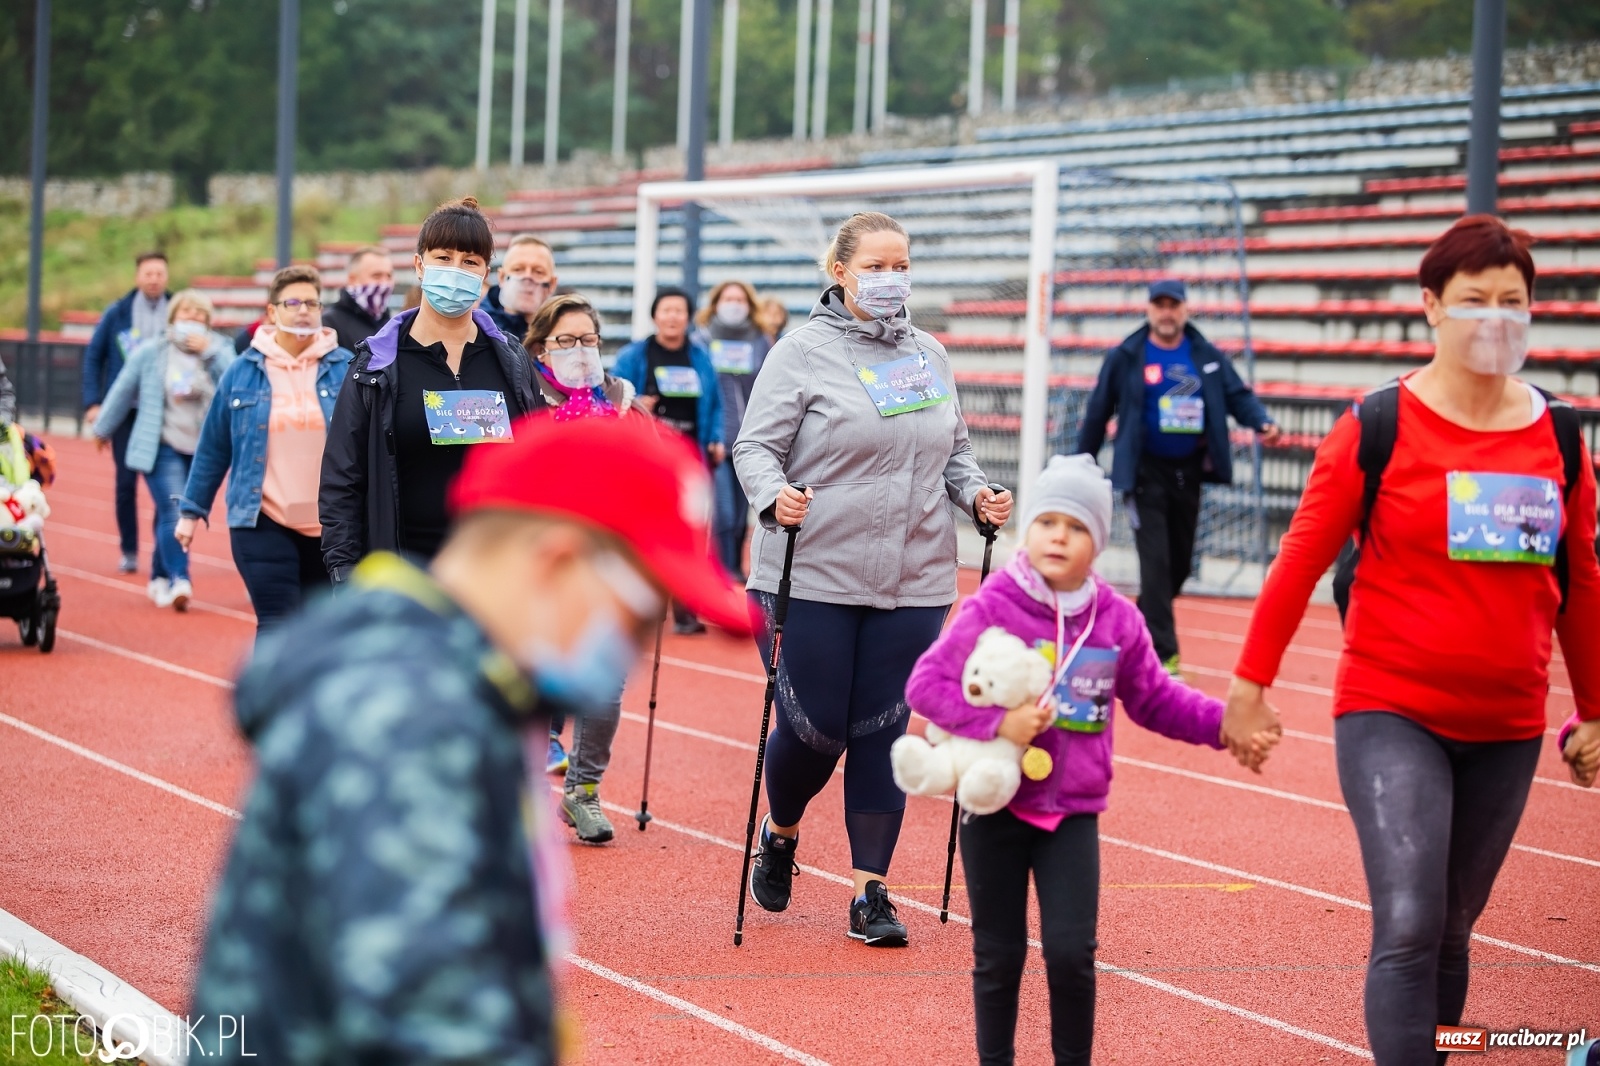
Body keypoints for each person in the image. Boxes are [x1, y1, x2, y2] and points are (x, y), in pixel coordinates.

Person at [192, 413, 752, 1065]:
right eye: (640, 613)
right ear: (558, 563)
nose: (635, 651)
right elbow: (429, 1024)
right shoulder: (409, 720)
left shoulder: (463, 695)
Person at [1228, 215, 1600, 1066]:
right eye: (1475, 301)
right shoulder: (1378, 425)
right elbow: (1300, 559)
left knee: (1454, 928)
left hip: (1507, 726)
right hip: (1392, 709)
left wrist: (1595, 709)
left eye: (1514, 301)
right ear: (1431, 306)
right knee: (1408, 921)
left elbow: (1580, 584)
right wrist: (1249, 686)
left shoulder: (1563, 438)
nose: (1495, 318)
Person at [906, 454, 1272, 1066]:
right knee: (998, 956)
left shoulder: (1117, 620)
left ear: (1098, 541)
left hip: (1071, 814)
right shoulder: (996, 603)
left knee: (1072, 954)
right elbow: (926, 686)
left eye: (1076, 527)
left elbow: (1157, 700)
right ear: (1029, 529)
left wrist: (1225, 727)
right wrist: (1001, 723)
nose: (1059, 536)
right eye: (1048, 521)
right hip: (995, 805)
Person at [734, 210, 1013, 947]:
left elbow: (954, 452)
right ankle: (783, 829)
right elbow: (754, 447)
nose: (893, 279)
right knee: (815, 729)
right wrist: (773, 498)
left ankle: (871, 892)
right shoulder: (801, 353)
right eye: (878, 266)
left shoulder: (929, 355)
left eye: (902, 265)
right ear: (841, 272)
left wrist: (978, 496)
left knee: (885, 731)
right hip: (814, 570)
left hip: (916, 578)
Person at [320, 197, 545, 583]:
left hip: (498, 576)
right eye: (443, 257)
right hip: (405, 578)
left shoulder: (511, 360)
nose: (456, 270)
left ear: (485, 276)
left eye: (470, 262)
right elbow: (343, 478)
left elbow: (540, 461)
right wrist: (344, 570)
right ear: (419, 265)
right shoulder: (376, 364)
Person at [1075, 278, 1280, 676]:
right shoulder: (1128, 355)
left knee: (1180, 565)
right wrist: (1080, 460)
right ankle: (1164, 657)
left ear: (1185, 310)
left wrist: (1262, 421)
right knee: (1155, 564)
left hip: (1189, 473)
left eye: (1174, 305)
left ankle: (1130, 623)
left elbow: (1238, 395)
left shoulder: (1205, 355)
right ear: (1149, 309)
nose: (1167, 312)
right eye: (1160, 305)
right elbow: (1099, 410)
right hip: (1143, 474)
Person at [523, 292, 651, 836]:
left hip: (611, 562)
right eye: (566, 341)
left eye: (589, 340)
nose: (579, 350)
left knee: (606, 687)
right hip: (541, 564)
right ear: (541, 346)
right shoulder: (523, 393)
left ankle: (583, 790)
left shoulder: (622, 397)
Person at [175, 267, 352, 632]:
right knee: (277, 622)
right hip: (262, 519)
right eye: (292, 302)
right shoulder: (242, 371)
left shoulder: (348, 368)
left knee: (319, 627)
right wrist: (191, 511)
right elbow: (213, 446)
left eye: (311, 303)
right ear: (272, 313)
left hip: (331, 524)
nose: (303, 310)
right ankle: (274, 691)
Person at [90, 289, 233, 611]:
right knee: (175, 509)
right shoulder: (153, 351)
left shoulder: (219, 350)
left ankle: (157, 574)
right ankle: (179, 578)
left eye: (199, 317)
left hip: (201, 448)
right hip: (162, 446)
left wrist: (211, 352)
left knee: (169, 512)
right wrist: (103, 427)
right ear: (173, 318)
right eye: (186, 315)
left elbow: (236, 381)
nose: (192, 322)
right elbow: (124, 388)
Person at [614, 287, 726, 634]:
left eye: (680, 310)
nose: (673, 317)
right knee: (643, 531)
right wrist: (635, 405)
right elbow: (613, 394)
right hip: (647, 457)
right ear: (654, 316)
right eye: (666, 310)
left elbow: (717, 403)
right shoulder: (634, 355)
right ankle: (643, 606)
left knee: (692, 532)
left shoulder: (701, 356)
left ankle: (686, 610)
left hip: (692, 455)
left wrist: (717, 438)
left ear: (689, 317)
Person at [82, 251, 171, 574]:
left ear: (167, 277)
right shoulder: (117, 314)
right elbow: (94, 357)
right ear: (138, 277)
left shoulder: (176, 311)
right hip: (126, 411)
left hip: (164, 412)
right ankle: (130, 549)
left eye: (159, 273)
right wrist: (93, 403)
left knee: (165, 484)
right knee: (125, 484)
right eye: (148, 273)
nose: (154, 279)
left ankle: (163, 549)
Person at [695, 280, 771, 580]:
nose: (734, 303)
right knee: (723, 511)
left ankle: (735, 568)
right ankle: (724, 572)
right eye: (727, 298)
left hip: (750, 436)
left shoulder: (760, 340)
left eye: (740, 299)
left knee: (742, 513)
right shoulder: (701, 339)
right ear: (715, 303)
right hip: (718, 437)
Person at [485, 234, 560, 340]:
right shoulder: (477, 328)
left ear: (552, 284)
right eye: (518, 269)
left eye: (538, 272)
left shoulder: (561, 334)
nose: (527, 277)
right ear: (501, 277)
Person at [321, 246, 395, 351]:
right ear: (352, 279)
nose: (385, 283)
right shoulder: (330, 323)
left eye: (389, 276)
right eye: (376, 276)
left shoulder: (391, 323)